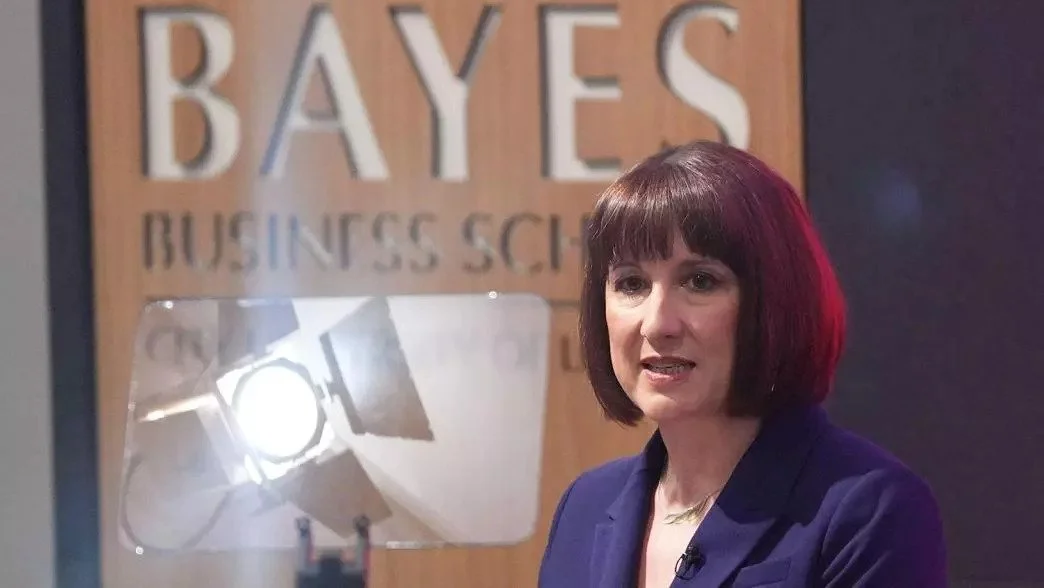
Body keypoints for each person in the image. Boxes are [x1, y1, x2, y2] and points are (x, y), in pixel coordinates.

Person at [537, 141, 948, 587]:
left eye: (699, 281)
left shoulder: (869, 512)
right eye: (631, 284)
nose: (657, 324)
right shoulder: (584, 506)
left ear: (775, 301)